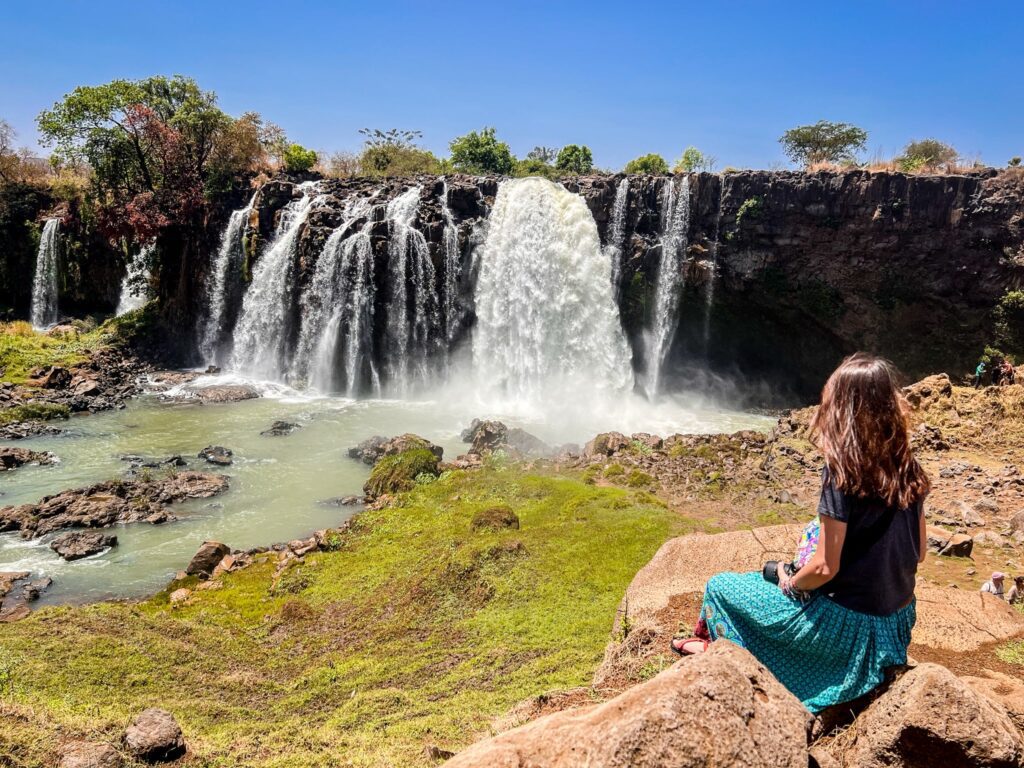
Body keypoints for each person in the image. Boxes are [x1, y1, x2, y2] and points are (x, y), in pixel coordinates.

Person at [670, 354, 930, 714]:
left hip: (848, 631)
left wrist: (789, 581)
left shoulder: (843, 472)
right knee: (774, 575)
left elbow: (825, 568)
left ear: (840, 408)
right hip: (894, 625)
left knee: (720, 586)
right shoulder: (909, 467)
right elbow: (919, 553)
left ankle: (716, 651)